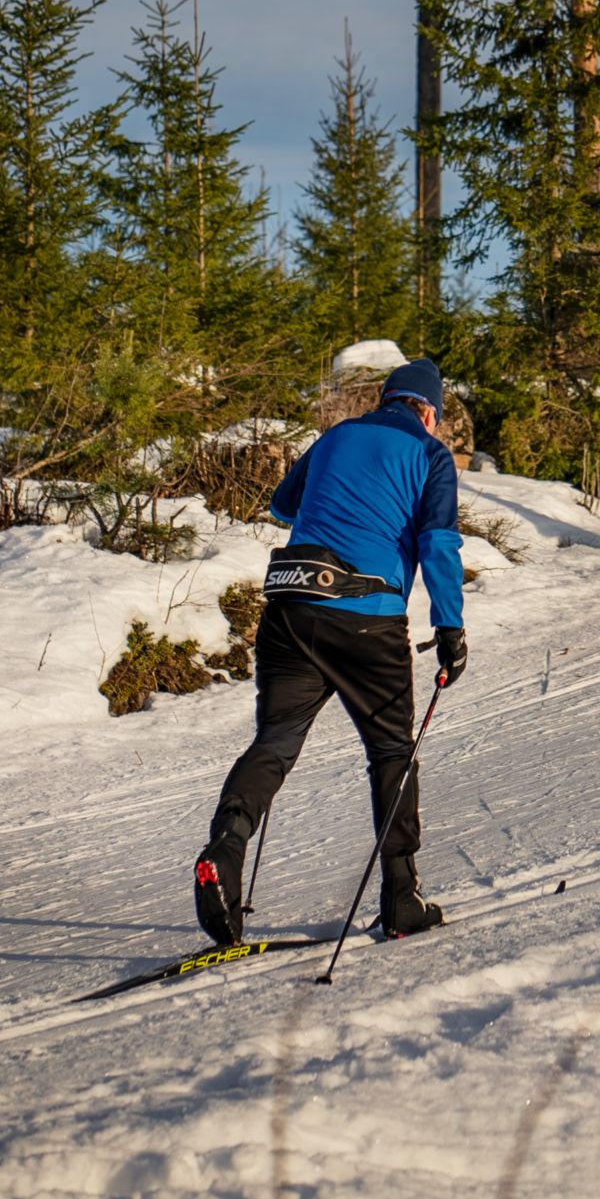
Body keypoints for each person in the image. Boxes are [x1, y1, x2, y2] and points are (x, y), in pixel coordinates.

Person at [194, 357, 466, 945]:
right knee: (393, 750)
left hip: (290, 607)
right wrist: (449, 627)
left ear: (386, 398)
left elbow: (282, 506)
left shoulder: (336, 435)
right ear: (428, 410)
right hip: (365, 619)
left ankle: (225, 849)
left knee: (276, 741)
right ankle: (401, 898)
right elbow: (438, 540)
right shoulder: (429, 453)